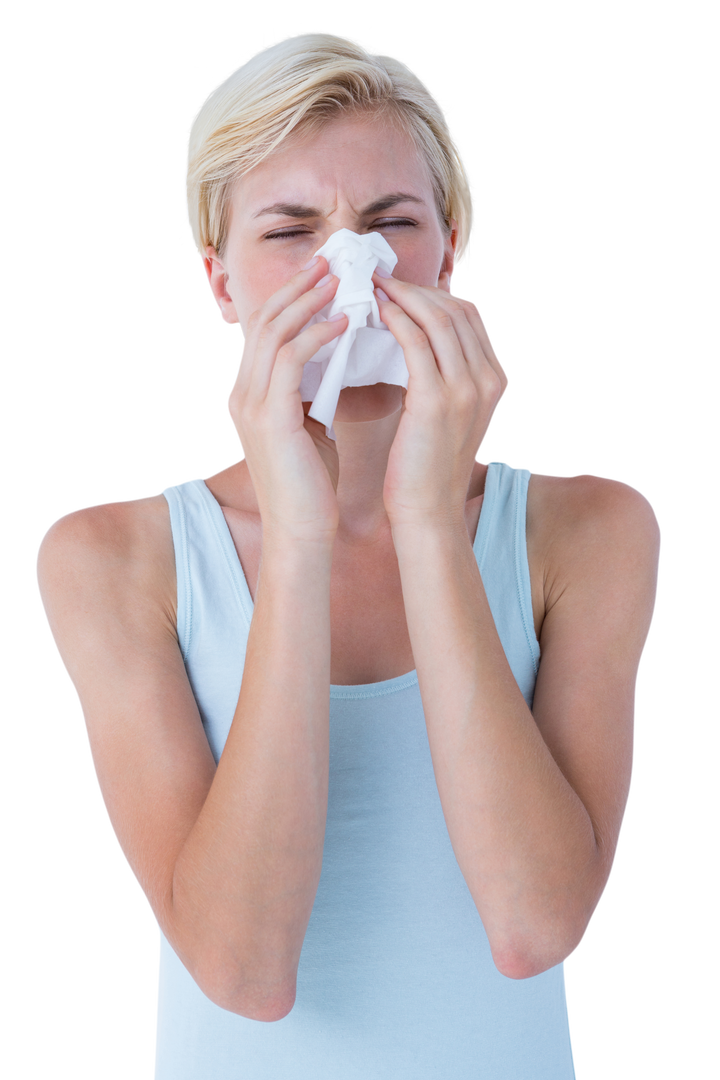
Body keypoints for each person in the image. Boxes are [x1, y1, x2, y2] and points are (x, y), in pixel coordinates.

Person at [33, 28, 662, 1079]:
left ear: (451, 248)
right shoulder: (112, 558)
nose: (352, 271)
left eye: (389, 224)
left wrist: (426, 519)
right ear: (222, 282)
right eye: (292, 231)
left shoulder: (590, 531)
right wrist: (301, 535)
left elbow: (531, 927)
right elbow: (244, 972)